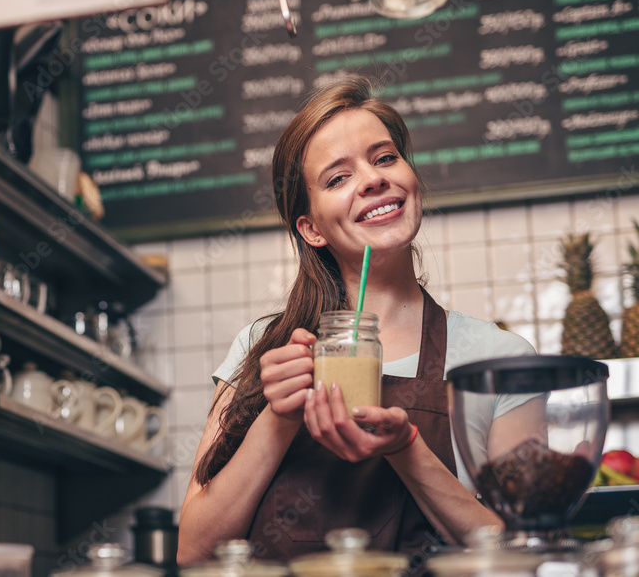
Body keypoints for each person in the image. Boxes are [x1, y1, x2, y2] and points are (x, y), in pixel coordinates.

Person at [177, 75, 538, 568]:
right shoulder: (260, 348)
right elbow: (195, 554)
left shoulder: (501, 360)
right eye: (337, 178)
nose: (372, 179)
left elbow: (522, 558)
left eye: (385, 157)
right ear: (311, 228)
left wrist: (406, 447)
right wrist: (278, 417)